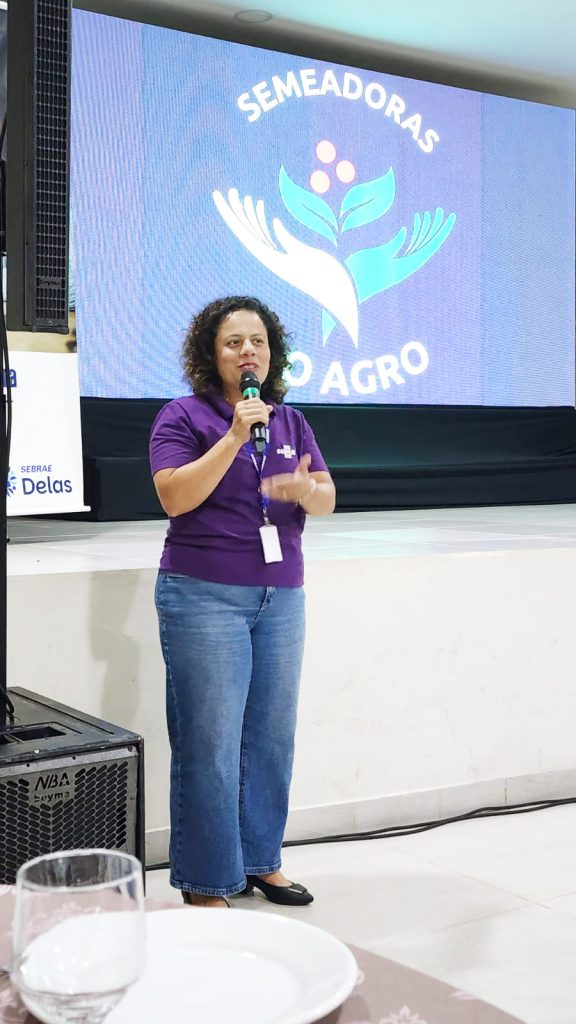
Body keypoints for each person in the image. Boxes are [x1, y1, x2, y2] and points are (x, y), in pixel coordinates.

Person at [150, 296, 336, 909]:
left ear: (272, 353)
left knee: (271, 738)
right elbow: (175, 497)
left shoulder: (291, 421)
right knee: (210, 743)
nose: (248, 351)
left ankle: (261, 859)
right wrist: (234, 435)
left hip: (281, 598)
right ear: (213, 354)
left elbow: (327, 498)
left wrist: (305, 488)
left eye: (258, 341)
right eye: (233, 342)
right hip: (203, 596)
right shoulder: (182, 416)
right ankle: (206, 881)